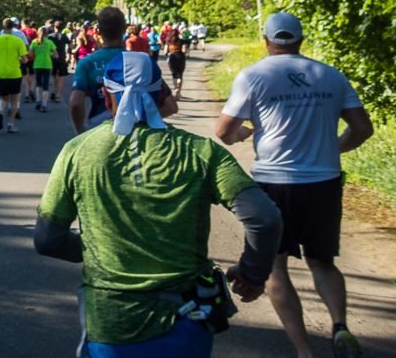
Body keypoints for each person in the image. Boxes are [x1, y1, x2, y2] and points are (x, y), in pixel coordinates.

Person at [35, 50, 282, 357]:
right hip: (187, 320)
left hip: (111, 323)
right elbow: (264, 218)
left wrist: (100, 250)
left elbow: (48, 240)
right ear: (162, 94)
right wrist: (253, 274)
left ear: (104, 95)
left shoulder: (76, 151)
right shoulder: (201, 152)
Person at [215, 13, 374, 358]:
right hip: (324, 179)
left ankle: (304, 351)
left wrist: (246, 134)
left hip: (274, 181)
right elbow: (362, 128)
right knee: (322, 261)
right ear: (301, 40)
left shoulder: (253, 75)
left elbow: (224, 132)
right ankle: (339, 326)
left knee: (275, 265)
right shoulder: (330, 75)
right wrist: (334, 147)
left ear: (266, 40)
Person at [70, 8, 130, 134]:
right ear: (125, 29)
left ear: (99, 31)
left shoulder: (87, 63)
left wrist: (81, 131)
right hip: (134, 130)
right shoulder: (142, 60)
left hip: (99, 130)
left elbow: (75, 103)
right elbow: (170, 106)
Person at [0, 18, 31, 133]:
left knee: (3, 98)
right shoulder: (18, 41)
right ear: (13, 27)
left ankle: (0, 112)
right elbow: (24, 60)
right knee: (14, 99)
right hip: (14, 73)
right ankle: (10, 124)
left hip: (1, 73)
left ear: (3, 27)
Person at [31, 26, 56, 112]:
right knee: (45, 85)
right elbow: (56, 55)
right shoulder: (49, 42)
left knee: (38, 84)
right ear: (47, 34)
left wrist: (36, 53)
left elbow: (30, 54)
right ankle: (44, 104)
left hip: (37, 64)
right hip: (47, 65)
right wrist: (50, 53)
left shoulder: (34, 42)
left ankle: (38, 99)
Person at [50, 20, 71, 103]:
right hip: (62, 58)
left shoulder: (50, 36)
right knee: (61, 77)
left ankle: (53, 90)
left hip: (53, 58)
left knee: (54, 75)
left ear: (54, 27)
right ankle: (58, 95)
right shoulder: (64, 36)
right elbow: (70, 45)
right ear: (62, 28)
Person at [166, 26, 186, 96]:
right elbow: (185, 50)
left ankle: (175, 88)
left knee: (174, 74)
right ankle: (179, 91)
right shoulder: (181, 41)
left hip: (172, 57)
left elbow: (166, 51)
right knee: (180, 75)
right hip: (180, 57)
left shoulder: (169, 41)